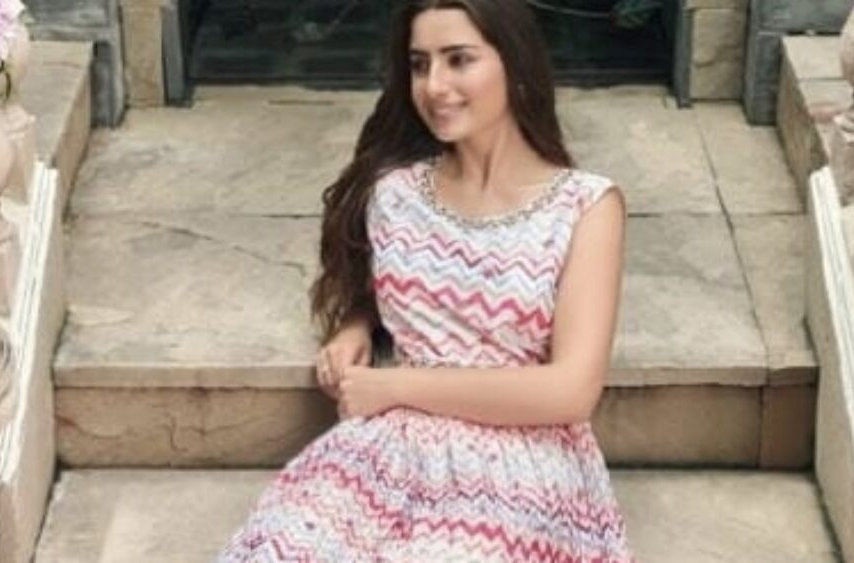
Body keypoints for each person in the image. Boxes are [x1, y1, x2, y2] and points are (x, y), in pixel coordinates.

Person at [219, 0, 632, 560]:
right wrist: (356, 323)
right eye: (419, 65)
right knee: (282, 549)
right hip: (392, 449)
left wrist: (395, 387)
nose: (434, 86)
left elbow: (570, 391)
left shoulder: (585, 206)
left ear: (515, 62)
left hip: (522, 459)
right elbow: (405, 283)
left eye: (459, 59)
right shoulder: (396, 192)